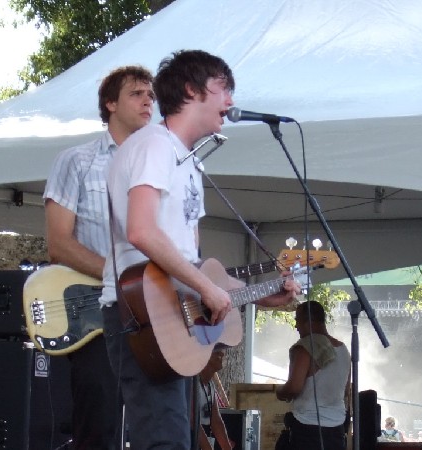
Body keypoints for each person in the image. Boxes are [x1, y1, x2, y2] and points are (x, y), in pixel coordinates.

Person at [99, 49, 300, 450]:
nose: (230, 101)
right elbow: (140, 230)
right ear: (191, 90)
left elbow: (192, 269)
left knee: (173, 439)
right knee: (163, 440)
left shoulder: (189, 161)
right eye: (224, 88)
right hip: (142, 313)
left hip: (171, 316)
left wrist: (255, 297)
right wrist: (208, 290)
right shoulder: (154, 145)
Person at [43, 65, 155, 449]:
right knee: (99, 426)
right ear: (110, 103)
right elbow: (58, 243)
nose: (148, 101)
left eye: (151, 95)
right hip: (92, 313)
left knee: (154, 425)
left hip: (150, 317)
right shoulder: (77, 161)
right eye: (137, 93)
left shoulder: (165, 164)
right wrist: (118, 278)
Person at [276, 301, 351, 450]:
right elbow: (346, 390)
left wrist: (280, 392)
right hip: (337, 429)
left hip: (308, 428)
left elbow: (294, 387)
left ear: (308, 321)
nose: (296, 326)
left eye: (297, 320)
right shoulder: (343, 350)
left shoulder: (306, 347)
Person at [195, 349, 233, 450]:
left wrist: (227, 447)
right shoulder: (192, 384)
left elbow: (216, 420)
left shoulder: (210, 385)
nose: (222, 353)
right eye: (216, 351)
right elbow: (193, 422)